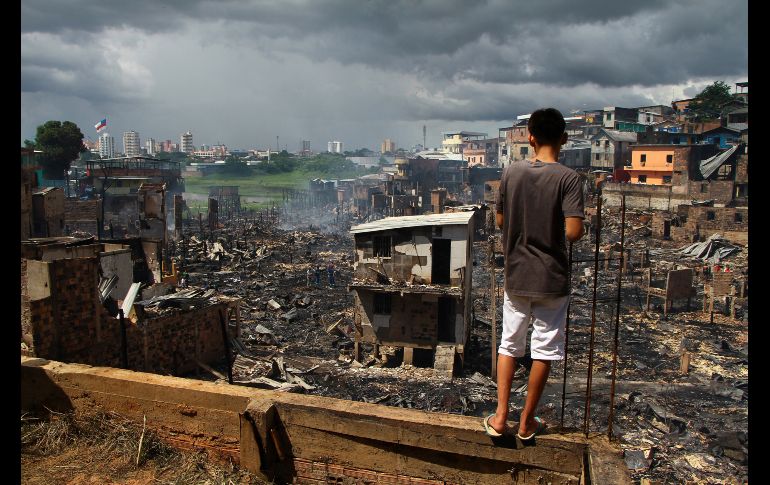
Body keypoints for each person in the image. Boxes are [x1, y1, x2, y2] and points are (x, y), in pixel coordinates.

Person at [484, 108, 585, 441]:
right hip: (551, 277)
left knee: (509, 344)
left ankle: (500, 418)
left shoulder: (511, 173)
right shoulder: (569, 179)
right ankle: (527, 423)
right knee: (544, 348)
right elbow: (572, 231)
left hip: (516, 273)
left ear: (530, 137)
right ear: (564, 139)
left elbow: (500, 221)